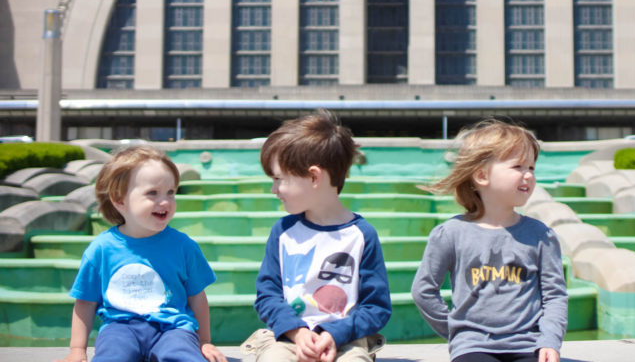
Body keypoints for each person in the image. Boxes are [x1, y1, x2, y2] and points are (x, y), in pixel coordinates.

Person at [411, 119, 568, 362]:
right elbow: (423, 290)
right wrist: (455, 331)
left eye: (532, 168)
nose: (528, 175)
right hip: (473, 347)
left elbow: (554, 295)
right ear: (482, 175)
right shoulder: (450, 233)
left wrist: (549, 341)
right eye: (517, 166)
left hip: (529, 345)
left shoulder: (541, 235)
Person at [241, 110, 391, 362]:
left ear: (313, 176)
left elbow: (376, 307)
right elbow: (267, 295)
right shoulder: (283, 232)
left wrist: (333, 334)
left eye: (279, 179)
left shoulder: (361, 235)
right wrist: (298, 333)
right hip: (288, 337)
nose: (273, 189)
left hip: (346, 340)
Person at [56, 146, 226, 362]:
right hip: (120, 328)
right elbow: (85, 301)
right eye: (152, 193)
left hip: (173, 328)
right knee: (113, 355)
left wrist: (204, 342)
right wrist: (77, 350)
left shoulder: (184, 246)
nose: (165, 201)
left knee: (181, 355)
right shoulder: (101, 249)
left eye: (170, 192)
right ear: (119, 200)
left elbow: (197, 297)